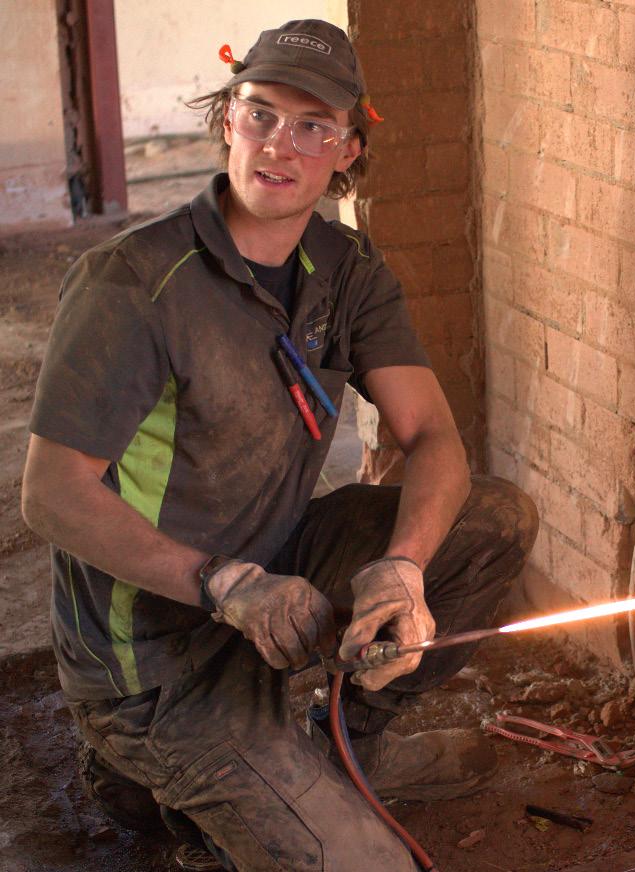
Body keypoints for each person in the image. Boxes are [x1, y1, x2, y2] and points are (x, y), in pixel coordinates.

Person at [20, 19, 537, 871]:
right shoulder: (134, 281)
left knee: (489, 520)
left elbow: (432, 436)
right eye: (259, 113)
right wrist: (225, 584)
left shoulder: (345, 270)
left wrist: (401, 568)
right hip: (154, 652)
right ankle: (143, 767)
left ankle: (342, 749)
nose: (278, 145)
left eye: (312, 127)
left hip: (278, 568)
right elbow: (51, 494)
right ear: (227, 117)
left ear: (348, 150)